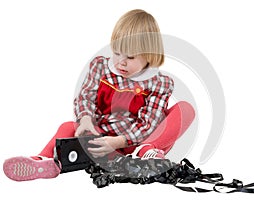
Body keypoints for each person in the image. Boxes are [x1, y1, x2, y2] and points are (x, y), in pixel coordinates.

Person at [3, 9, 195, 181]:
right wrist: (85, 119)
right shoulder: (101, 67)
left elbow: (149, 123)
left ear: (150, 55)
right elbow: (85, 96)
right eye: (117, 53)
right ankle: (45, 161)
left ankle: (143, 153)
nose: (121, 62)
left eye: (130, 57)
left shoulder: (159, 83)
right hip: (100, 139)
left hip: (136, 143)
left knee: (185, 109)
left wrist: (120, 142)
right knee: (68, 126)